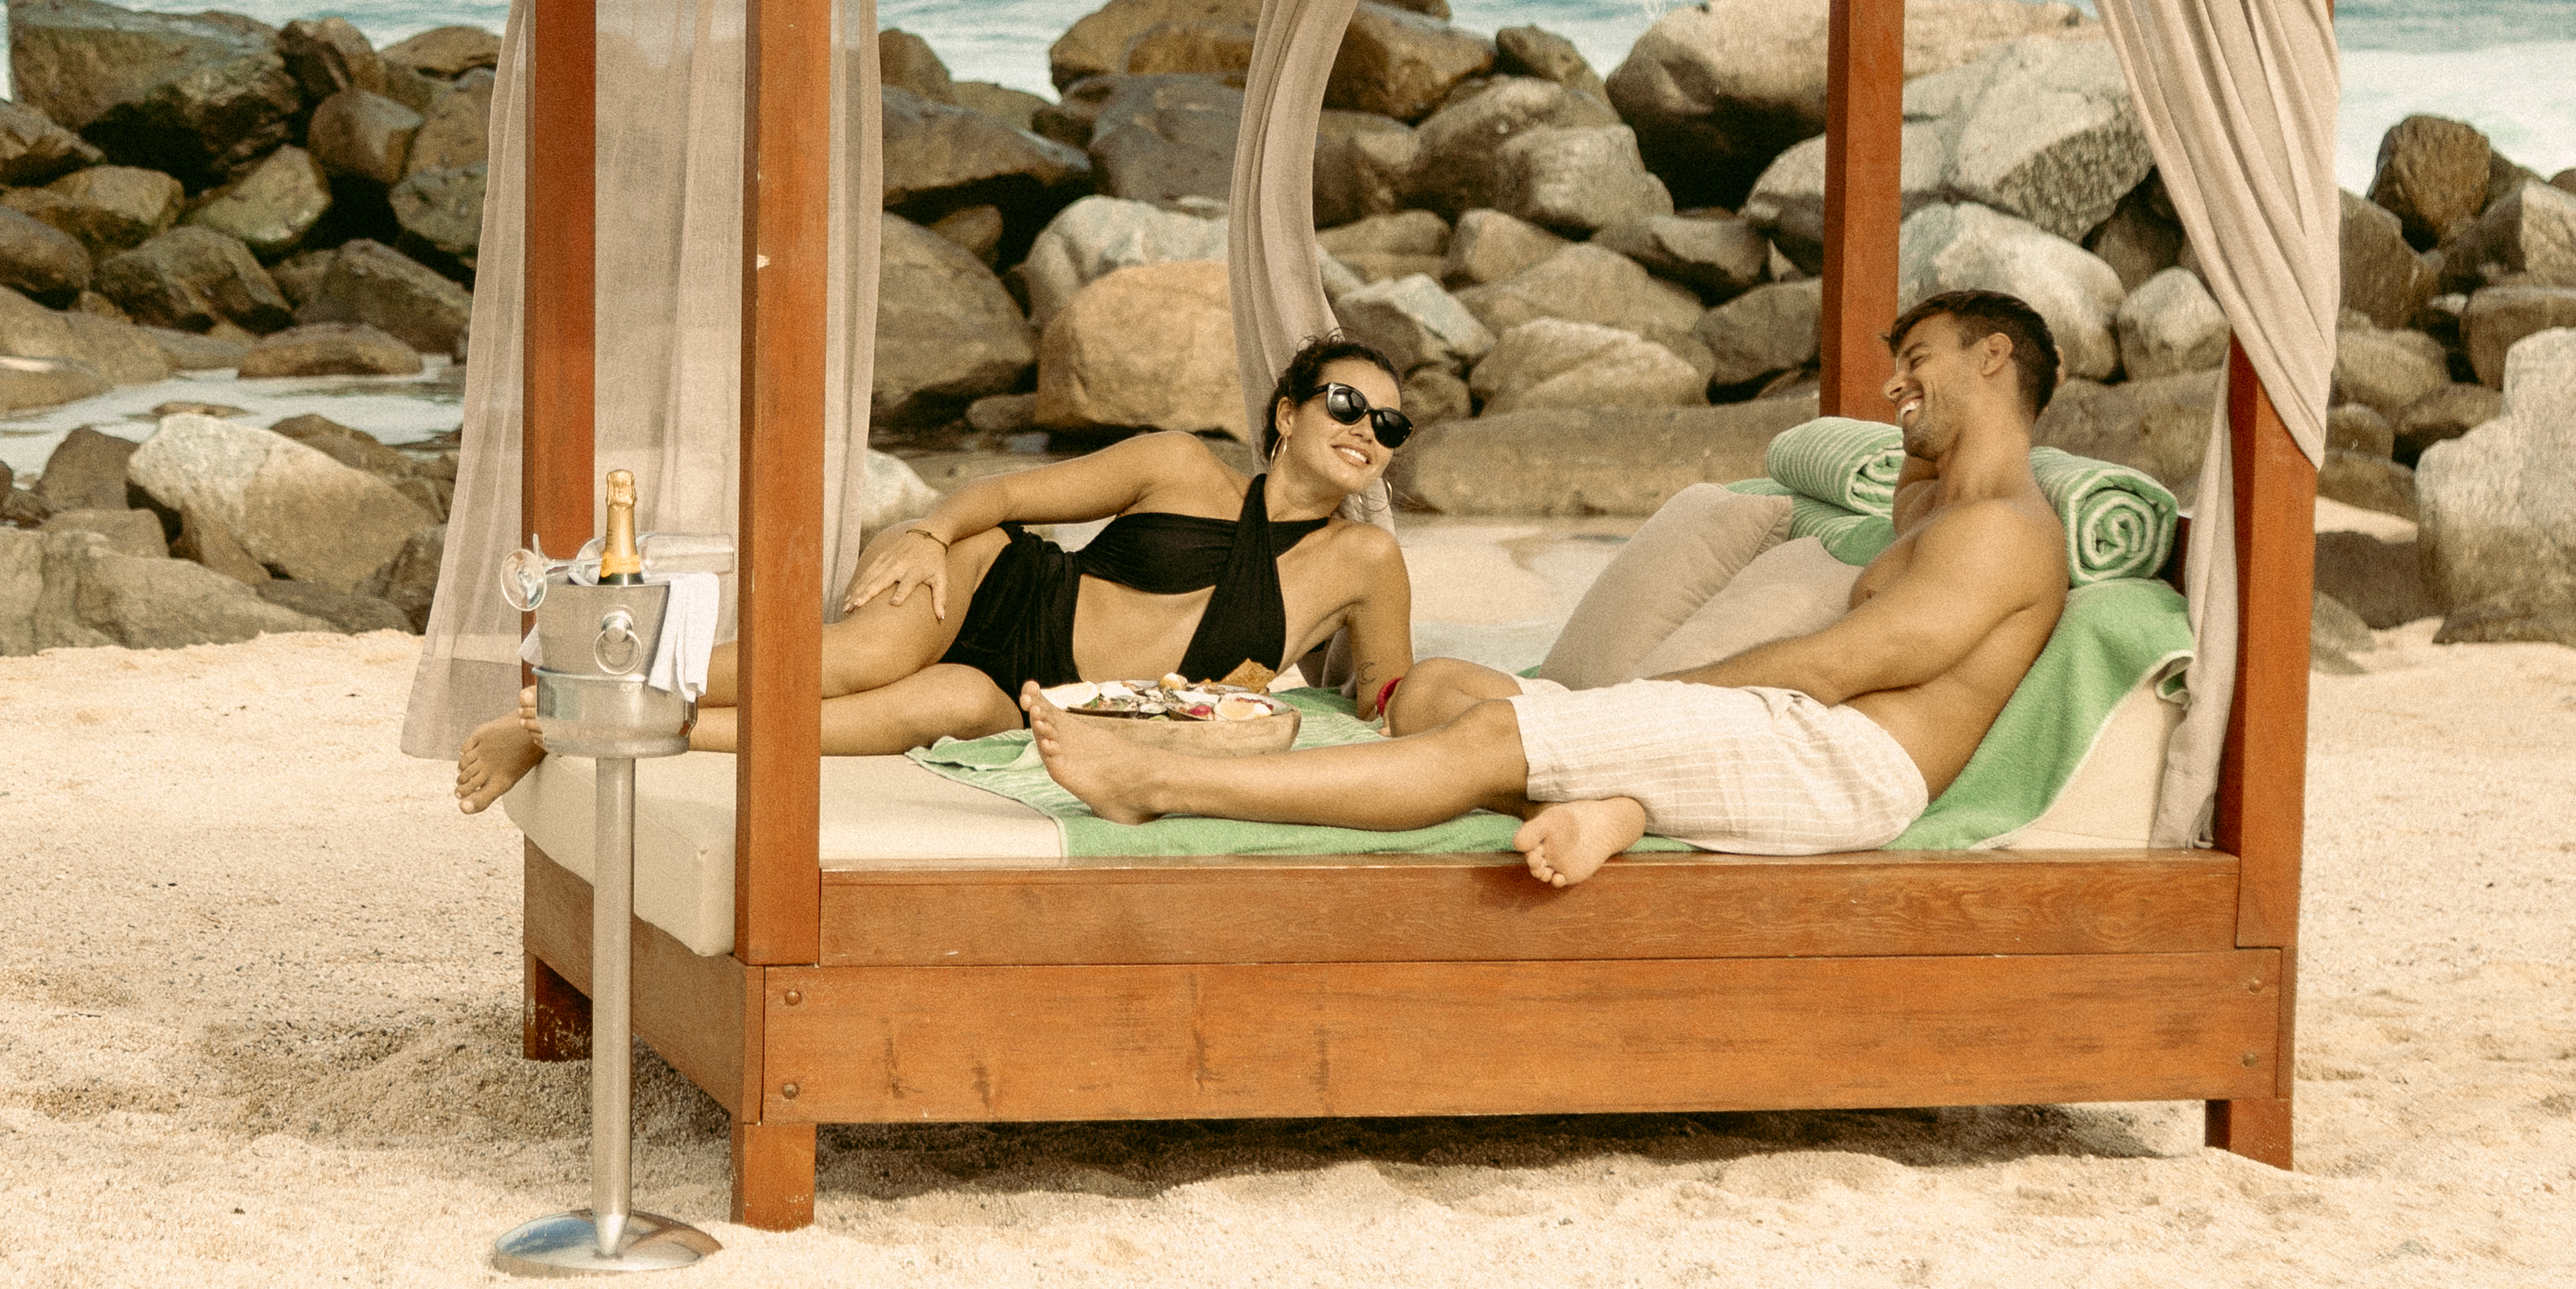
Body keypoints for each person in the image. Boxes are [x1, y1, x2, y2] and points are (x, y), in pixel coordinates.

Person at [1025, 291, 2072, 887]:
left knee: (1478, 741)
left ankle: (1160, 783)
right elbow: (1869, 483)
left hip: (1844, 761)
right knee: (1433, 691)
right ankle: (1619, 802)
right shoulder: (1939, 505)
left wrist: (1656, 698)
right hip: (1790, 737)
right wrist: (1919, 446)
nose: (1892, 388)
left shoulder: (2001, 533)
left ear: (1995, 357)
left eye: (1918, 361)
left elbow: (1855, 661)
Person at [453, 335, 1424, 812]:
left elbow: (1385, 692)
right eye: (1346, 402)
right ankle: (590, 690)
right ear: (1288, 412)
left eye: (1388, 425)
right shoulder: (1177, 462)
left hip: (1043, 692)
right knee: (857, 658)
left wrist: (1459, 711)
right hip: (1002, 583)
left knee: (938, 707)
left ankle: (601, 729)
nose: (1365, 430)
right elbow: (1003, 498)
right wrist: (925, 532)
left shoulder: (1364, 559)